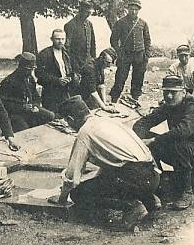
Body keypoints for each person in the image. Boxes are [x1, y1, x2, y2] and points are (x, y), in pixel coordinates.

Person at [48, 96, 161, 231]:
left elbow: (72, 176)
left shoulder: (85, 133)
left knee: (79, 193)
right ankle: (149, 199)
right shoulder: (108, 121)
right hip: (152, 174)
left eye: (67, 121)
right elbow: (115, 161)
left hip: (136, 178)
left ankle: (131, 206)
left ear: (70, 119)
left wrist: (62, 199)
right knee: (113, 176)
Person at [132, 76, 194, 210]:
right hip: (183, 154)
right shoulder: (169, 105)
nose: (169, 96)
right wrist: (142, 138)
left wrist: (154, 140)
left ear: (183, 92)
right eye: (166, 92)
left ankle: (187, 193)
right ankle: (156, 181)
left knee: (176, 144)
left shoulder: (193, 105)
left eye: (173, 92)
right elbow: (142, 123)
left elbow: (184, 131)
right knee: (150, 141)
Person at [0, 52, 55, 132]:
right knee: (25, 130)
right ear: (21, 67)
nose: (30, 72)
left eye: (32, 69)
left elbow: (35, 96)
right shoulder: (9, 81)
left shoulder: (30, 78)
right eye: (28, 69)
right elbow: (3, 104)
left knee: (50, 116)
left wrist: (35, 105)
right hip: (15, 114)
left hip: (30, 110)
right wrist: (22, 107)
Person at [109, 0, 151, 102]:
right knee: (120, 77)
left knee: (138, 78)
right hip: (125, 55)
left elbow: (147, 40)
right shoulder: (121, 22)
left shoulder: (143, 23)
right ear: (128, 9)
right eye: (131, 9)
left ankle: (135, 98)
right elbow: (113, 39)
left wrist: (146, 54)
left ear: (138, 10)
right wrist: (119, 52)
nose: (133, 11)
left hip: (139, 55)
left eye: (136, 9)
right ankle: (114, 99)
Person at [35, 29, 80, 112]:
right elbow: (39, 74)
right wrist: (57, 80)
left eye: (63, 39)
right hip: (51, 92)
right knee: (54, 117)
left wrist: (71, 77)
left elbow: (76, 70)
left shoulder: (68, 54)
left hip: (67, 90)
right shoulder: (45, 54)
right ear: (51, 39)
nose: (60, 42)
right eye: (57, 39)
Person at [78, 48, 119, 112]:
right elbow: (93, 91)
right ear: (101, 58)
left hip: (92, 94)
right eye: (107, 63)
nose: (109, 66)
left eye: (110, 63)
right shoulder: (90, 68)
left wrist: (104, 102)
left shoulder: (100, 65)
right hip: (83, 96)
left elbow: (101, 85)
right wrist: (104, 107)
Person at [64, 0, 97, 68]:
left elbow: (92, 43)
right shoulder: (71, 25)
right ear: (80, 11)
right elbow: (67, 46)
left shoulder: (89, 24)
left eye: (89, 13)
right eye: (86, 12)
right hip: (75, 61)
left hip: (87, 61)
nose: (88, 15)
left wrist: (93, 58)